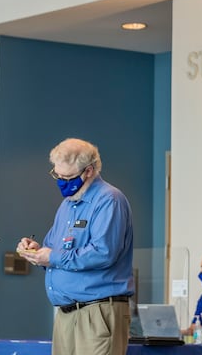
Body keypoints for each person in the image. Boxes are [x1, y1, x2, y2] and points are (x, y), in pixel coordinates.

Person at [17, 138, 134, 355]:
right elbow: (54, 250)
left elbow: (103, 253)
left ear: (88, 171)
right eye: (57, 176)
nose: (61, 182)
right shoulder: (68, 204)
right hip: (66, 314)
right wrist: (36, 251)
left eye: (68, 177)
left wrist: (52, 257)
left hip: (97, 312)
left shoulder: (109, 200)